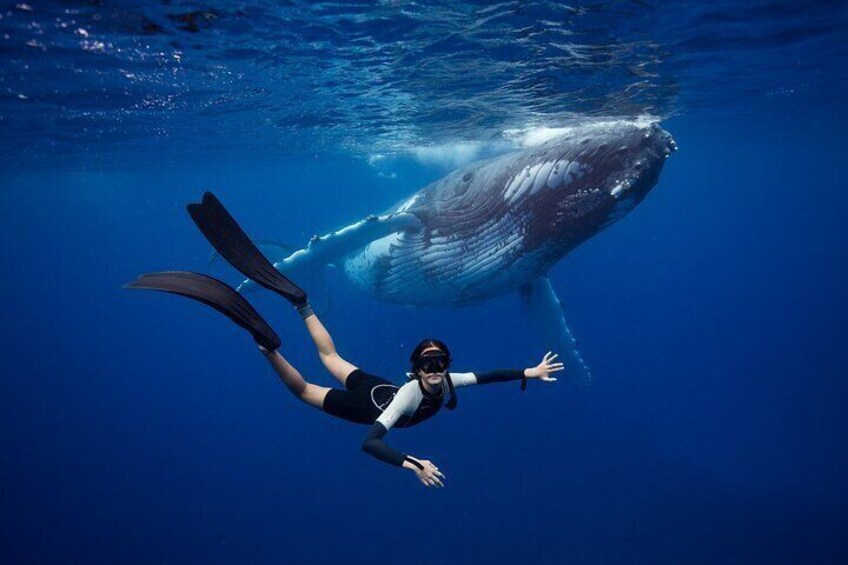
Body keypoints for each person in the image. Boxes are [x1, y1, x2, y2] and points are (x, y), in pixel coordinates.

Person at [126, 193, 563, 488]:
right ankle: (269, 346)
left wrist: (530, 371)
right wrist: (412, 464)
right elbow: (370, 442)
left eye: (440, 364)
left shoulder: (448, 381)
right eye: (429, 366)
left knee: (331, 356)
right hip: (371, 403)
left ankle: (300, 303)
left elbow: (488, 376)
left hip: (373, 382)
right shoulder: (412, 395)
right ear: (417, 370)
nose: (436, 372)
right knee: (301, 390)